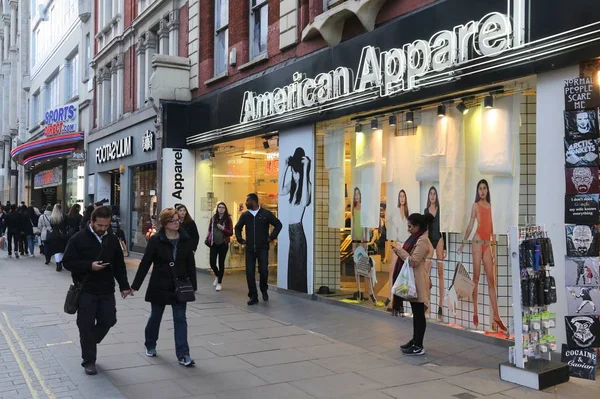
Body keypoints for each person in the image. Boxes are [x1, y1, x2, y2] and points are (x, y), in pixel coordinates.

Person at [62, 206, 131, 375]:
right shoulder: (78, 239)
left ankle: (90, 341)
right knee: (85, 325)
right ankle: (89, 361)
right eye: (100, 225)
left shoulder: (112, 239)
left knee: (109, 320)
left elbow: (119, 265)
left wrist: (124, 286)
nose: (103, 229)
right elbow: (67, 262)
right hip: (86, 290)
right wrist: (89, 266)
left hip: (106, 289)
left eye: (106, 226)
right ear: (92, 221)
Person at [130, 208, 197, 367]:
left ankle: (183, 354)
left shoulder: (185, 239)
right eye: (173, 220)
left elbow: (190, 264)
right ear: (165, 223)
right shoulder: (156, 240)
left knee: (180, 319)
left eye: (177, 220)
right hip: (159, 284)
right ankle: (150, 344)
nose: (177, 222)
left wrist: (193, 285)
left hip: (179, 285)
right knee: (156, 316)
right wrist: (135, 286)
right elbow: (146, 263)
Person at [457, 179, 507, 331]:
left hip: (487, 245)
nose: (482, 191)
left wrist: (493, 250)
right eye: (480, 188)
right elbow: (470, 226)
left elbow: (492, 230)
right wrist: (464, 243)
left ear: (487, 190)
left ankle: (496, 315)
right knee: (476, 277)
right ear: (477, 191)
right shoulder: (475, 206)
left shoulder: (491, 207)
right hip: (477, 242)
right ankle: (475, 312)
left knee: (492, 280)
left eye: (484, 188)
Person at [392, 212, 434, 356]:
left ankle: (418, 345)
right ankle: (415, 341)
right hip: (414, 280)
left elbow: (413, 261)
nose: (408, 229)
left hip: (418, 281)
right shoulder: (416, 237)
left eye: (410, 226)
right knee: (416, 314)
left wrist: (400, 251)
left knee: (419, 315)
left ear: (417, 226)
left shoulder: (422, 240)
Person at [234, 193, 282, 305]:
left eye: (247, 201)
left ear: (253, 201)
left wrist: (271, 237)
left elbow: (278, 225)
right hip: (250, 249)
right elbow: (238, 228)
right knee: (250, 273)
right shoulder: (245, 215)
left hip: (262, 248)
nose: (246, 203)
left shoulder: (265, 214)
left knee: (264, 271)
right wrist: (240, 239)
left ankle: (264, 289)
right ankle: (253, 296)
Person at [280, 148, 312, 293]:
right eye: (293, 171)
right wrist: (286, 167)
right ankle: (293, 292)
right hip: (291, 232)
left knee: (298, 267)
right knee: (293, 266)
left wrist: (305, 170)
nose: (294, 174)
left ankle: (300, 293)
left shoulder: (306, 186)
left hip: (298, 232)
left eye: (295, 171)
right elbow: (280, 191)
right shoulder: (292, 187)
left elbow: (305, 201)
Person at [424, 186, 446, 321]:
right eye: (430, 194)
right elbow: (425, 230)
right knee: (425, 272)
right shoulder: (426, 211)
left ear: (436, 196)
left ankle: (441, 305)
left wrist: (445, 247)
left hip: (439, 239)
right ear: (428, 196)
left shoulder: (440, 210)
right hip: (429, 240)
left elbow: (444, 228)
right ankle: (427, 302)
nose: (432, 196)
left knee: (440, 272)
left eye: (434, 194)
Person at [206, 202, 233, 291]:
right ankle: (217, 275)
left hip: (223, 244)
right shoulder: (213, 218)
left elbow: (230, 232)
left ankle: (219, 282)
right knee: (212, 262)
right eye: (219, 207)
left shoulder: (228, 219)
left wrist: (223, 228)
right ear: (217, 208)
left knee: (221, 263)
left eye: (223, 207)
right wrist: (208, 238)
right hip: (214, 244)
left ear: (225, 209)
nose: (221, 209)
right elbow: (210, 229)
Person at [46, 204, 68, 272]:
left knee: (56, 250)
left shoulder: (52, 217)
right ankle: (60, 262)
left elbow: (51, 226)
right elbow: (66, 225)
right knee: (61, 250)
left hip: (54, 234)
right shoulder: (63, 216)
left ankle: (58, 263)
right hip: (62, 235)